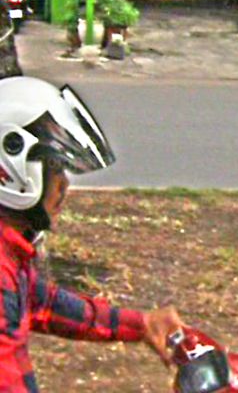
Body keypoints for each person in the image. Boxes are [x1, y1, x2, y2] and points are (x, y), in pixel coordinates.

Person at [0, 75, 184, 391]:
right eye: (55, 168)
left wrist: (141, 324)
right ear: (13, 166)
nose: (64, 185)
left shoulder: (10, 254)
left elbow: (43, 303)